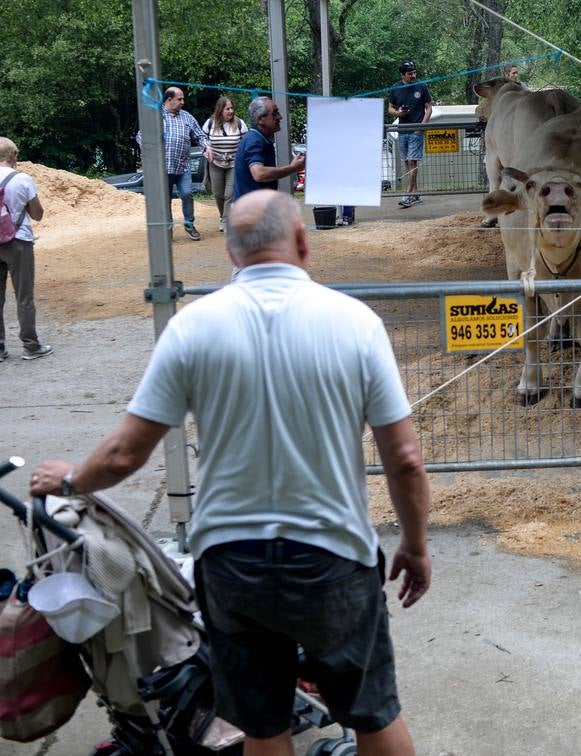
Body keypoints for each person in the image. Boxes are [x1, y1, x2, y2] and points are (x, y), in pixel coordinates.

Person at [28, 189, 431, 756]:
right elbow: (406, 459)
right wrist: (415, 545)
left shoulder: (195, 328)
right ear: (302, 242)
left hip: (232, 565)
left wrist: (69, 480)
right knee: (373, 713)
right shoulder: (355, 323)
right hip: (333, 558)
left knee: (265, 728)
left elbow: (124, 454)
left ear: (232, 254)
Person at [0, 137, 53, 363]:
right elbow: (37, 214)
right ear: (14, 155)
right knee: (24, 297)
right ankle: (31, 346)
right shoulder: (23, 179)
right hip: (18, 243)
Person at [136, 86, 211, 240]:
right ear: (169, 99)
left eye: (183, 99)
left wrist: (207, 147)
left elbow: (200, 136)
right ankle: (167, 229)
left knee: (187, 193)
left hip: (183, 166)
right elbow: (141, 135)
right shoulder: (155, 115)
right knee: (165, 200)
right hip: (162, 168)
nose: (183, 102)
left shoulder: (187, 117)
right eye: (180, 99)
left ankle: (189, 224)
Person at [233, 96, 306, 204]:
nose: (280, 117)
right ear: (260, 119)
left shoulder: (260, 139)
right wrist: (292, 168)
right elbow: (259, 174)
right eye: (275, 113)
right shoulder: (254, 141)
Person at [388, 60, 432, 208]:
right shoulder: (395, 88)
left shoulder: (421, 86)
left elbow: (429, 108)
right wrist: (398, 113)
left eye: (414, 73)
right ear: (402, 75)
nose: (413, 75)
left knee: (413, 161)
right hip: (402, 130)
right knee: (407, 162)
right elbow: (390, 108)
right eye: (410, 74)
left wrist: (421, 126)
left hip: (416, 130)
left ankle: (408, 194)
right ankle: (415, 193)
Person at [203, 96, 247, 232]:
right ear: (220, 110)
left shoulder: (239, 123)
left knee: (229, 194)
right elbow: (202, 139)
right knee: (217, 193)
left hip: (234, 163)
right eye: (227, 109)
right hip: (215, 162)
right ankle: (222, 215)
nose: (231, 111)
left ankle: (226, 220)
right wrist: (206, 149)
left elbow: (246, 141)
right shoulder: (210, 123)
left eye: (232, 108)